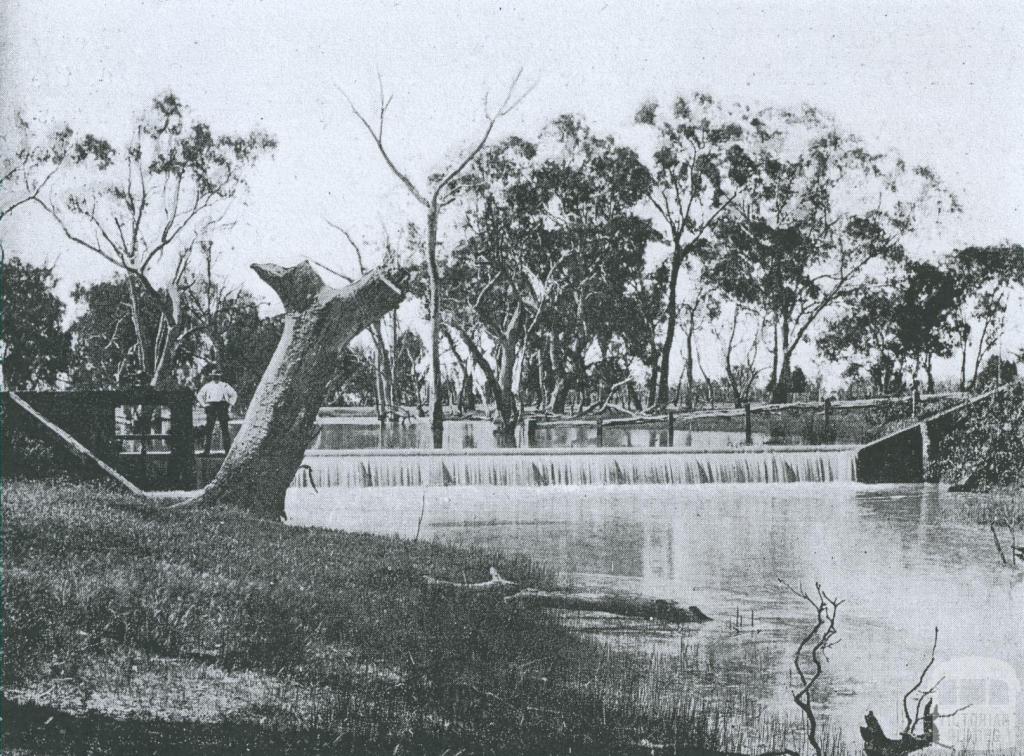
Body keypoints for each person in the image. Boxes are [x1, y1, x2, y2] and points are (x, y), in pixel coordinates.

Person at [197, 368, 237, 455]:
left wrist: (230, 404)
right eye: (214, 376)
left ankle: (227, 451)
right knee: (209, 429)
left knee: (224, 429)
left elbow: (234, 394)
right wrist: (204, 404)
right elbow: (199, 395)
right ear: (212, 376)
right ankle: (206, 451)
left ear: (220, 376)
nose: (216, 378)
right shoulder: (207, 386)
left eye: (218, 376)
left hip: (222, 406)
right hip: (211, 407)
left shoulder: (225, 385)